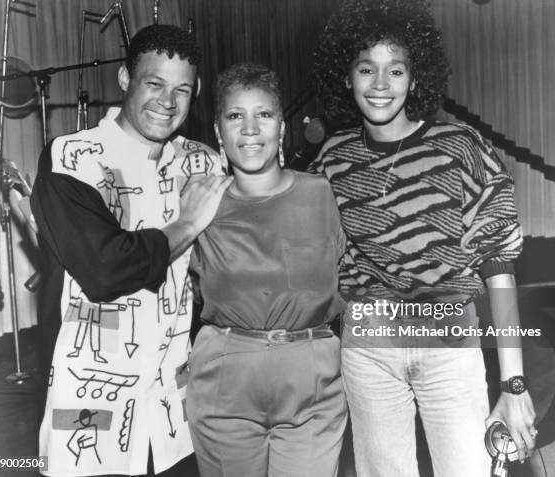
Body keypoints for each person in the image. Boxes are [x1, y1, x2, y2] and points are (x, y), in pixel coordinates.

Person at [309, 1, 536, 476]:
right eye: (366, 68)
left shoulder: (460, 148)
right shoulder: (332, 160)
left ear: (415, 78)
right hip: (369, 346)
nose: (379, 84)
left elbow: (499, 268)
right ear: (345, 76)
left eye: (396, 70)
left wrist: (513, 385)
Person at [30, 24, 232, 477]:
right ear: (125, 79)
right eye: (154, 84)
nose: (168, 101)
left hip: (172, 404)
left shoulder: (202, 161)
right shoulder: (72, 158)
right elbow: (106, 268)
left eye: (182, 89)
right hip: (91, 398)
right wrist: (188, 223)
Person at [186, 63, 348, 477]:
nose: (251, 129)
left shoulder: (323, 194)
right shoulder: (197, 202)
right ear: (219, 133)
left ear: (282, 128)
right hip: (224, 380)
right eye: (235, 116)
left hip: (312, 380)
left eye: (264, 114)